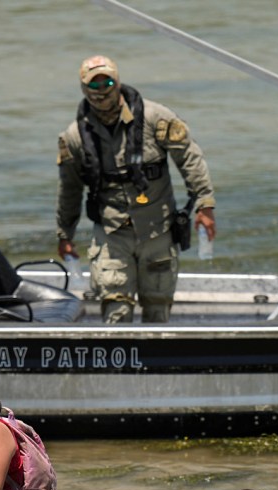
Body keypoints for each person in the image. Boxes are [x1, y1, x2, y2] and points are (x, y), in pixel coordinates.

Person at [56, 54, 216, 324]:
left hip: (157, 228)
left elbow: (190, 158)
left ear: (117, 81)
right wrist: (65, 234)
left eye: (106, 81)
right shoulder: (73, 137)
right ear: (84, 88)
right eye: (93, 85)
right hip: (111, 232)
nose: (101, 90)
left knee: (157, 309)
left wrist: (205, 205)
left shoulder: (156, 119)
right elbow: (69, 189)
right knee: (115, 311)